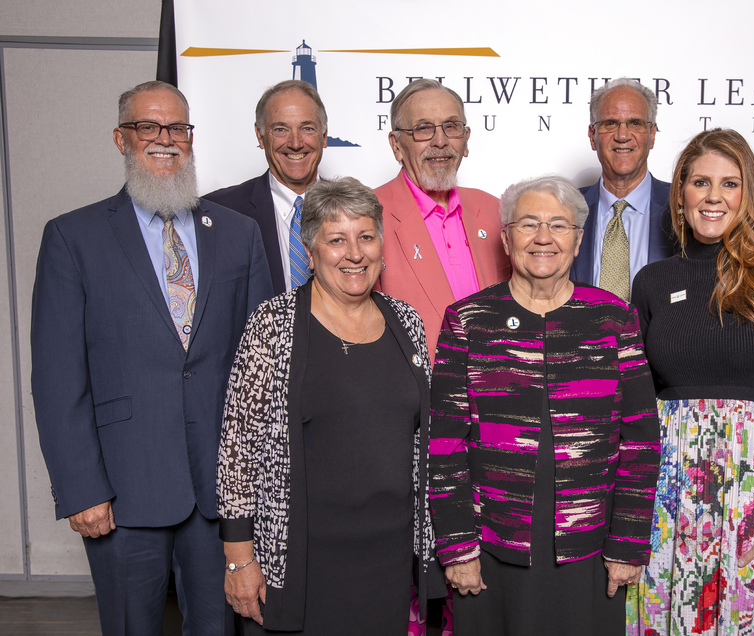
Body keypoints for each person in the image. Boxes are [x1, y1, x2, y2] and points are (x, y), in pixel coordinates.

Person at [30, 80, 273, 635]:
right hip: (121, 488)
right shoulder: (73, 237)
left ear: (190, 138)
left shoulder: (237, 235)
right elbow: (57, 377)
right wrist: (81, 488)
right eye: (148, 127)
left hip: (222, 489)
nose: (165, 140)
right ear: (121, 138)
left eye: (177, 129)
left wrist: (259, 477)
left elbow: (262, 365)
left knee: (218, 627)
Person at [429, 175, 661, 635]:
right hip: (491, 544)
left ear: (577, 240)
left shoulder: (614, 317)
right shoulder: (468, 320)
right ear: (506, 237)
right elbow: (445, 443)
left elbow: (641, 441)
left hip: (591, 548)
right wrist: (457, 545)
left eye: (559, 225)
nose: (543, 237)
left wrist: (628, 544)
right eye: (529, 223)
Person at [217, 176, 437, 634]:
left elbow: (424, 442)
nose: (354, 253)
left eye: (366, 237)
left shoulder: (407, 322)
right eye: (337, 240)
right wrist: (239, 559)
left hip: (388, 556)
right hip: (304, 558)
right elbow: (238, 450)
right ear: (311, 249)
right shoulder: (272, 324)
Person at [628, 128, 754, 635]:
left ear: (748, 194)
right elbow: (634, 406)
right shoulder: (651, 282)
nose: (714, 196)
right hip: (666, 496)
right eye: (700, 182)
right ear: (681, 195)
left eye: (730, 184)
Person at [375, 78, 510, 358]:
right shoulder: (367, 215)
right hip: (417, 392)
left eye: (451, 126)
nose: (440, 141)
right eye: (423, 129)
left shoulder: (496, 210)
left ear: (466, 139)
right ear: (396, 145)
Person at [205, 80, 328, 296]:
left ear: (324, 135)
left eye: (307, 128)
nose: (296, 143)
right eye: (280, 129)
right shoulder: (219, 212)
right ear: (260, 136)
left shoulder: (354, 210)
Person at [571, 78, 676, 299]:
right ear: (592, 136)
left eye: (635, 123)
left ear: (652, 134)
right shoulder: (566, 209)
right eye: (610, 123)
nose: (622, 136)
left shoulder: (682, 206)